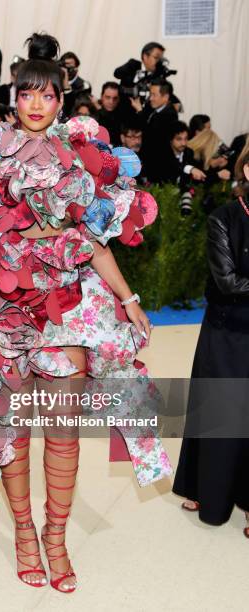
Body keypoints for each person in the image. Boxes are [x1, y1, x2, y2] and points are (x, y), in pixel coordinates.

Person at [0, 32, 172, 593]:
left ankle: (56, 538)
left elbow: (92, 240)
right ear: (14, 97)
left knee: (63, 432)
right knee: (13, 429)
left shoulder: (80, 158)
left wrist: (128, 298)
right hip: (4, 314)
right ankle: (23, 533)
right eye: (27, 93)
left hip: (67, 311)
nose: (37, 104)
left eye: (48, 94)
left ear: (62, 101)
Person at [173, 151, 249, 535]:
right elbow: (228, 282)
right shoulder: (224, 218)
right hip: (228, 329)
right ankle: (207, 489)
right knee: (221, 409)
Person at [133, 80, 178, 182]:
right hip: (149, 163)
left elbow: (152, 133)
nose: (151, 98)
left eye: (154, 95)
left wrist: (140, 111)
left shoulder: (170, 114)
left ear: (165, 97)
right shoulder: (155, 109)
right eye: (150, 94)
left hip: (159, 166)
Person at [97, 81, 134, 146]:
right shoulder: (93, 115)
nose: (111, 102)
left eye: (115, 98)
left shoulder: (124, 117)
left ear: (119, 99)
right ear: (101, 96)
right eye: (108, 97)